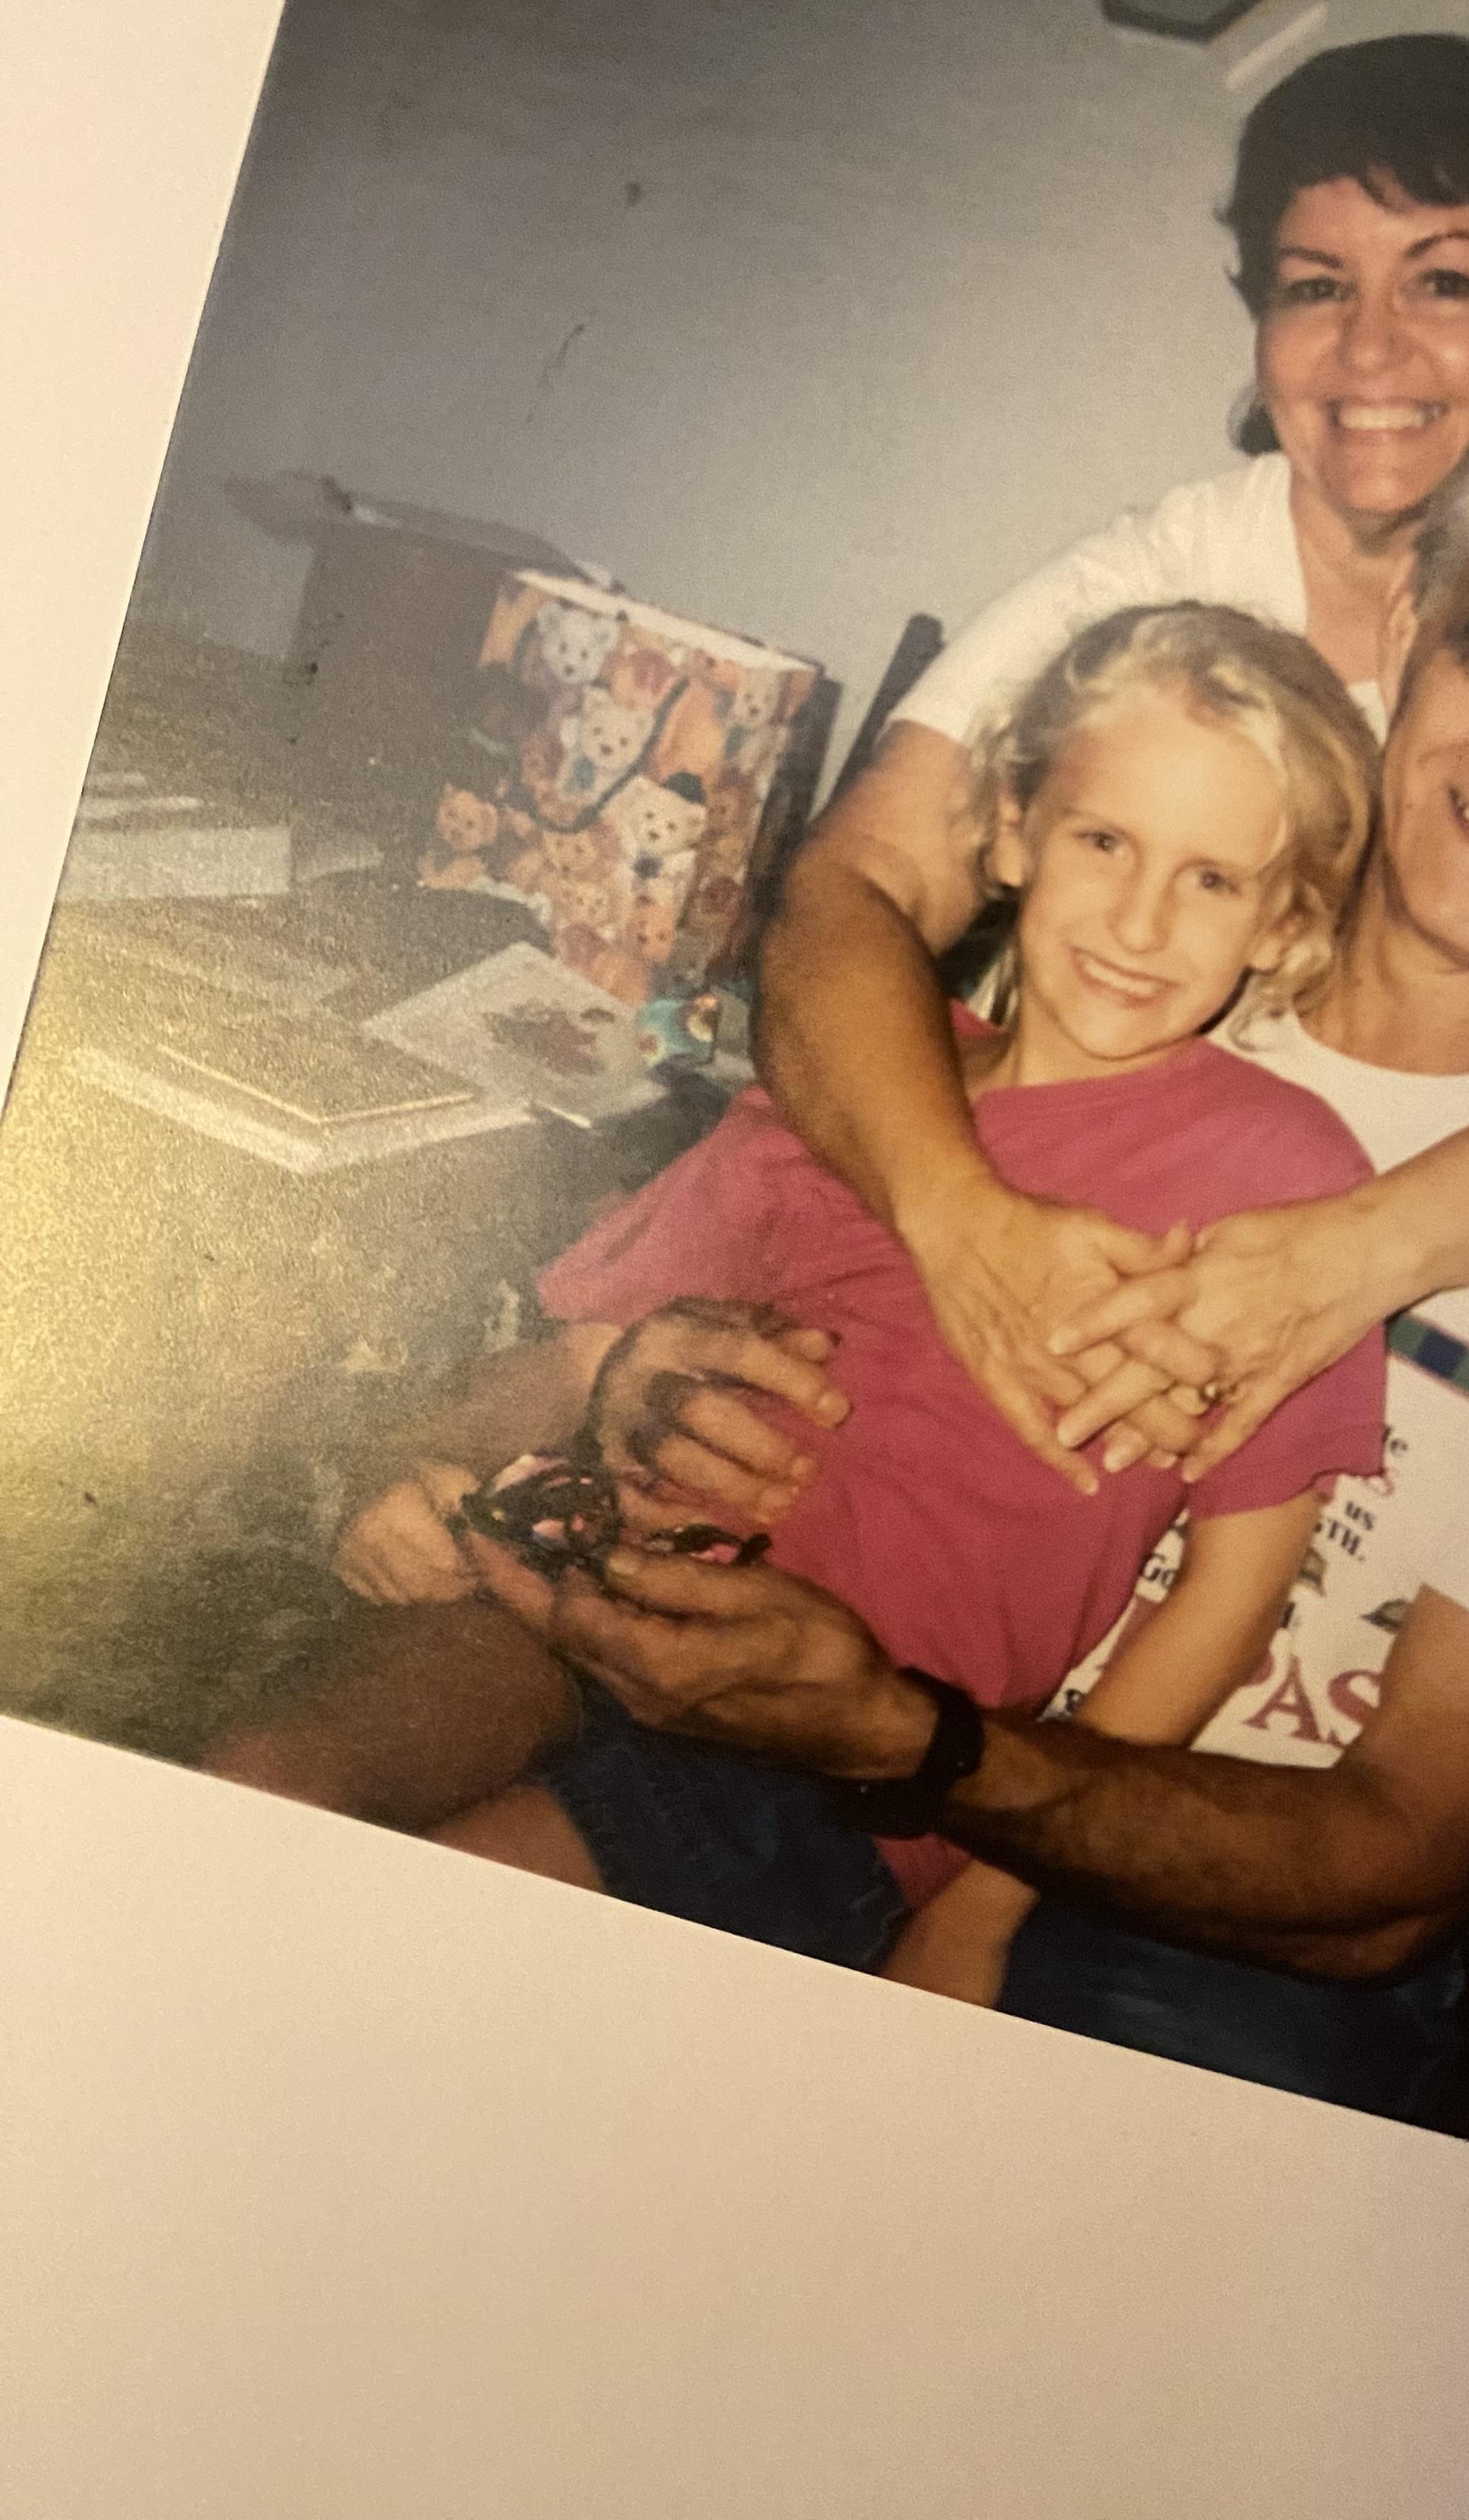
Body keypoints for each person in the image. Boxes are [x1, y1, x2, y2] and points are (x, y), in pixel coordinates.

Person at [527, 372, 1469, 2118]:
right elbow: (792, 1226)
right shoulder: (1151, 976)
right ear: (1408, 633)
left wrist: (924, 1757)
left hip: (1210, 1944)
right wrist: (655, 1383)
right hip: (798, 1724)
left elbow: (1392, 1878)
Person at [208, 606, 1390, 2010]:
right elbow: (575, 1365)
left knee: (403, 1966)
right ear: (1012, 832)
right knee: (248, 1804)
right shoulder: (859, 1068)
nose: (1141, 921)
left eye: (1211, 878)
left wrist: (995, 1901)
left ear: (1287, 917)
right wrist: (413, 1476)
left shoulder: (1274, 1175)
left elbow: (1235, 1586)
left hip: (812, 1762)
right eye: (1103, 842)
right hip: (577, 1598)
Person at [755, 32, 1469, 1503]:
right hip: (1031, 1266)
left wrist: (1341, 1262)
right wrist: (959, 1220)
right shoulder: (1165, 574)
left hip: (1349, 1324)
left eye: (1442, 282)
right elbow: (848, 889)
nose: (1371, 352)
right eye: (1318, 287)